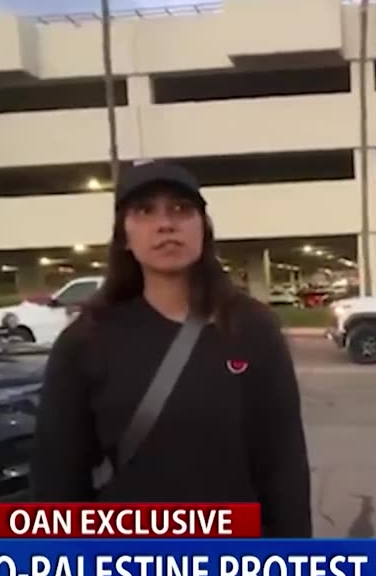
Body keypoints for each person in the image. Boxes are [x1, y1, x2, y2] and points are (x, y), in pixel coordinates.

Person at [31, 160, 313, 538]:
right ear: (124, 237)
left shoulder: (253, 329)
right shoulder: (86, 341)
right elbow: (58, 477)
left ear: (203, 229)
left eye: (180, 209)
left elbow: (284, 465)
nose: (165, 224)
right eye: (145, 211)